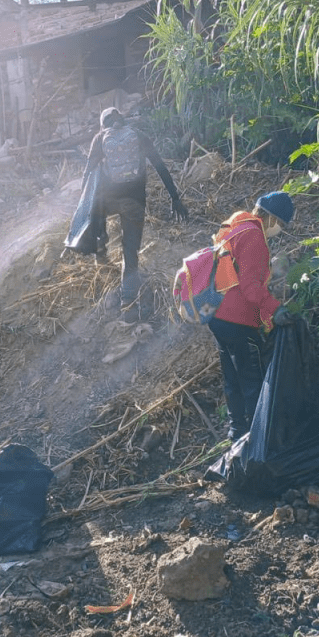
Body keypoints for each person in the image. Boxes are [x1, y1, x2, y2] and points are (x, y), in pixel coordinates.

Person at [208, 191, 296, 441]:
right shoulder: (254, 237)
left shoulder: (235, 226)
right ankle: (259, 439)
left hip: (217, 316)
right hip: (238, 320)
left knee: (232, 377)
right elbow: (250, 287)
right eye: (280, 223)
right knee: (251, 379)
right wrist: (275, 309)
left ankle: (237, 432)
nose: (279, 229)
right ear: (270, 217)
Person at [83, 107, 190, 306]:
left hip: (108, 203)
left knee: (97, 204)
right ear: (123, 121)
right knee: (130, 249)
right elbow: (160, 166)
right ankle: (128, 298)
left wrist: (84, 214)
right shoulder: (138, 136)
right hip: (134, 202)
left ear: (103, 124)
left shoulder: (99, 139)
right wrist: (175, 198)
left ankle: (100, 243)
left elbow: (87, 175)